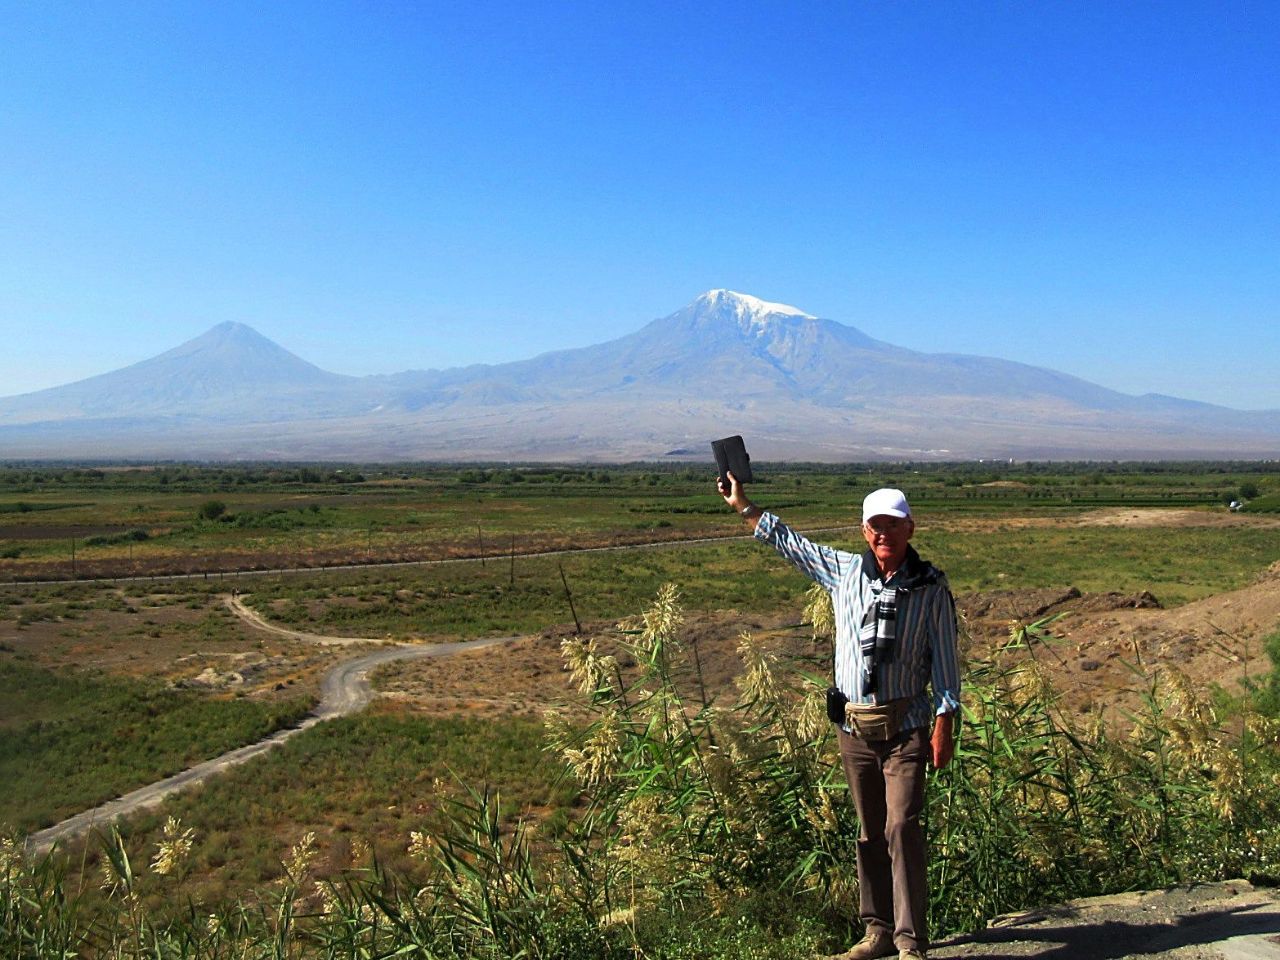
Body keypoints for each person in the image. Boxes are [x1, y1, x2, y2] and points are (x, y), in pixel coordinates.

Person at [717, 472, 960, 960]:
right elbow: (790, 542)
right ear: (863, 531)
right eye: (875, 526)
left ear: (910, 528)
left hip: (906, 728)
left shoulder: (930, 588)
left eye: (892, 525)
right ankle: (878, 933)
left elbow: (946, 661)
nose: (882, 534)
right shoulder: (845, 572)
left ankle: (911, 941)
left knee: (902, 826)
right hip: (854, 728)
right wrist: (743, 505)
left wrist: (945, 721)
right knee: (870, 830)